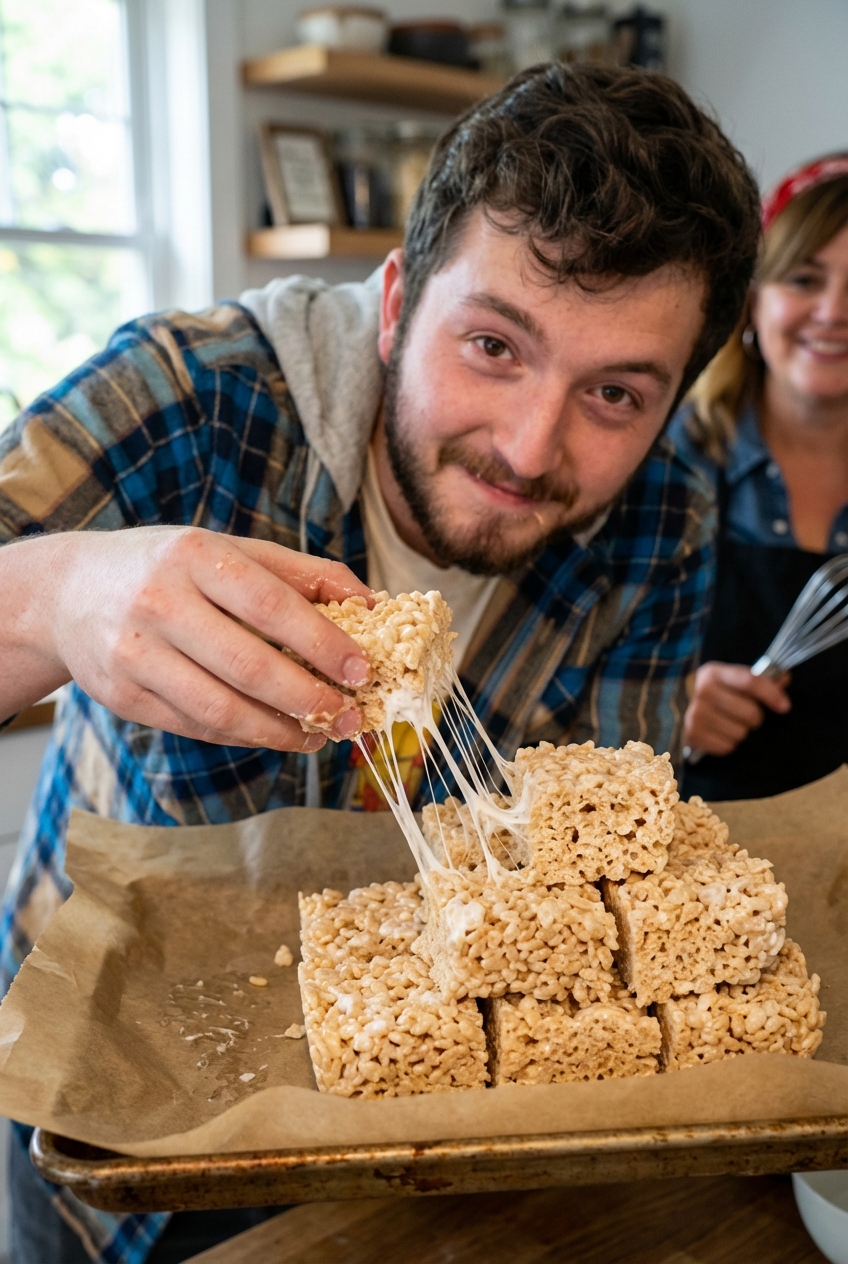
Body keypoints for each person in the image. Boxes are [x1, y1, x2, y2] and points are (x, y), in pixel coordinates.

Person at [0, 64, 760, 1263]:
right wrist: (52, 594)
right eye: (493, 344)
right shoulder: (191, 400)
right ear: (397, 299)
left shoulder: (664, 515)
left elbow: (574, 889)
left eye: (613, 393)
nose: (528, 445)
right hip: (111, 1094)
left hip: (431, 1138)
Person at [675, 155, 848, 801]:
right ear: (753, 300)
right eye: (805, 279)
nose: (833, 312)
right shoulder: (668, 463)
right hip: (694, 859)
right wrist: (672, 704)